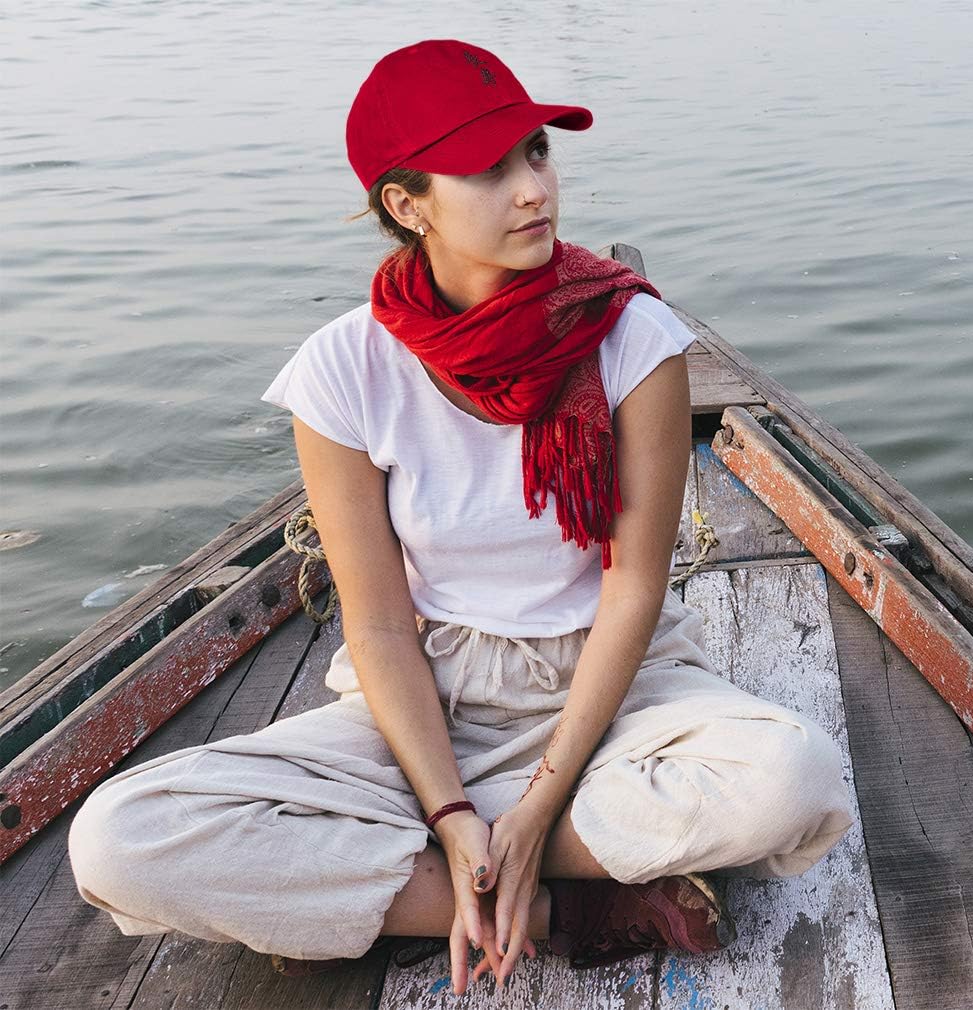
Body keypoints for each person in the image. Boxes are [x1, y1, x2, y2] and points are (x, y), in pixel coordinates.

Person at [67, 39, 854, 997]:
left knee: (792, 778)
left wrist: (535, 806)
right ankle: (574, 904)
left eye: (538, 153)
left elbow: (632, 588)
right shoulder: (344, 370)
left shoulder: (634, 338)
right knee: (120, 838)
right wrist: (451, 813)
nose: (533, 190)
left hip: (613, 686)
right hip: (428, 697)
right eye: (488, 169)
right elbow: (378, 623)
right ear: (408, 205)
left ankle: (405, 878)